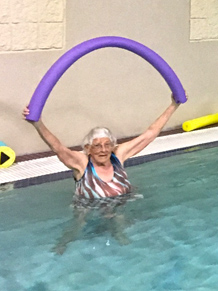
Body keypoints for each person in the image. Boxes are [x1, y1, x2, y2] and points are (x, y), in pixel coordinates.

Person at [23, 95, 183, 253]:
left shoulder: (118, 155)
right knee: (78, 225)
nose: (103, 150)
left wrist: (173, 106)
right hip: (88, 206)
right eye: (97, 146)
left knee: (120, 220)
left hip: (121, 202)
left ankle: (121, 239)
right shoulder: (82, 162)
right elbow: (57, 147)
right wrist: (37, 123)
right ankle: (62, 245)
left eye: (107, 145)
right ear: (88, 148)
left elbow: (149, 134)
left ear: (113, 146)